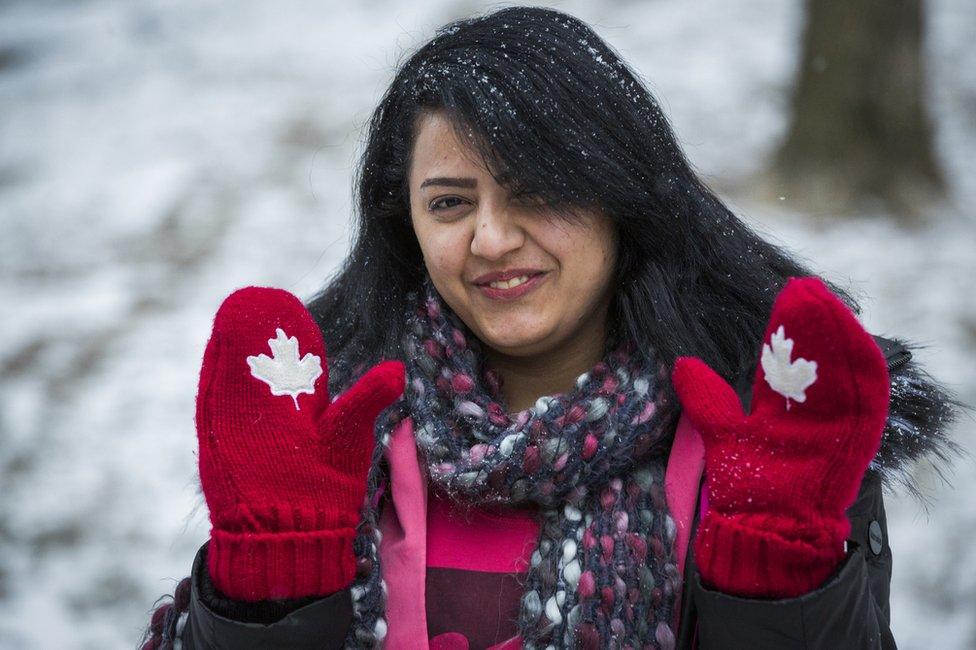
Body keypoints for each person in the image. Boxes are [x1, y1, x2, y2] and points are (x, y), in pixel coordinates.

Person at [140, 6, 963, 649]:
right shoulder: (326, 438)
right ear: (408, 225)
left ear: (621, 197)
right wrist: (270, 591)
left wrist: (778, 583)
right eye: (451, 203)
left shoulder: (769, 434)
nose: (492, 239)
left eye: (539, 190)